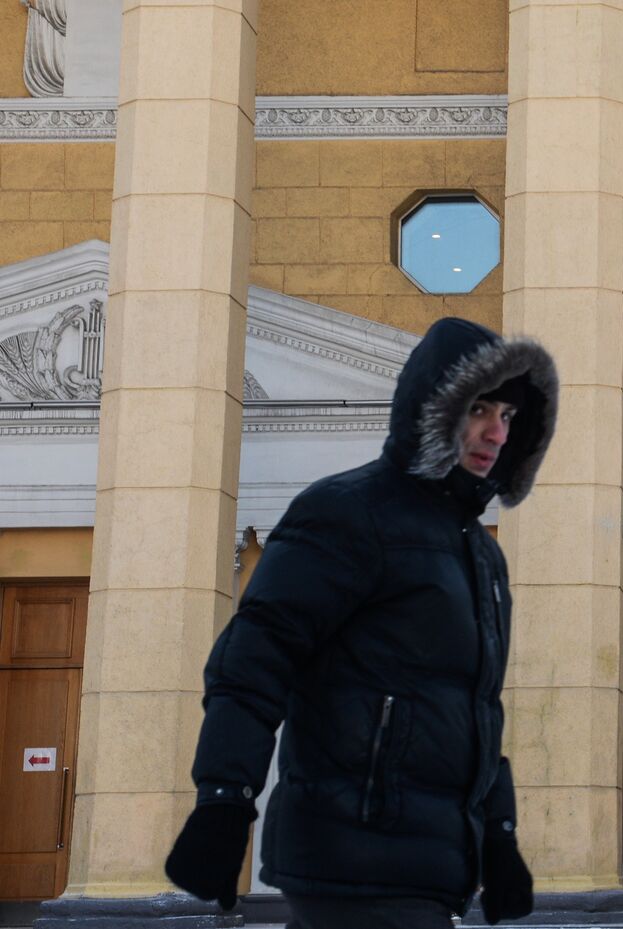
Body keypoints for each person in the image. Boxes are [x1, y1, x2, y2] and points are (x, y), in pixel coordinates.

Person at [163, 317, 558, 929]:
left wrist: (498, 839)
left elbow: (477, 710)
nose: (495, 432)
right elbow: (254, 659)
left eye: (508, 416)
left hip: (428, 869)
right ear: (434, 407)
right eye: (480, 408)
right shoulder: (347, 512)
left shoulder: (481, 554)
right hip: (347, 852)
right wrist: (224, 801)